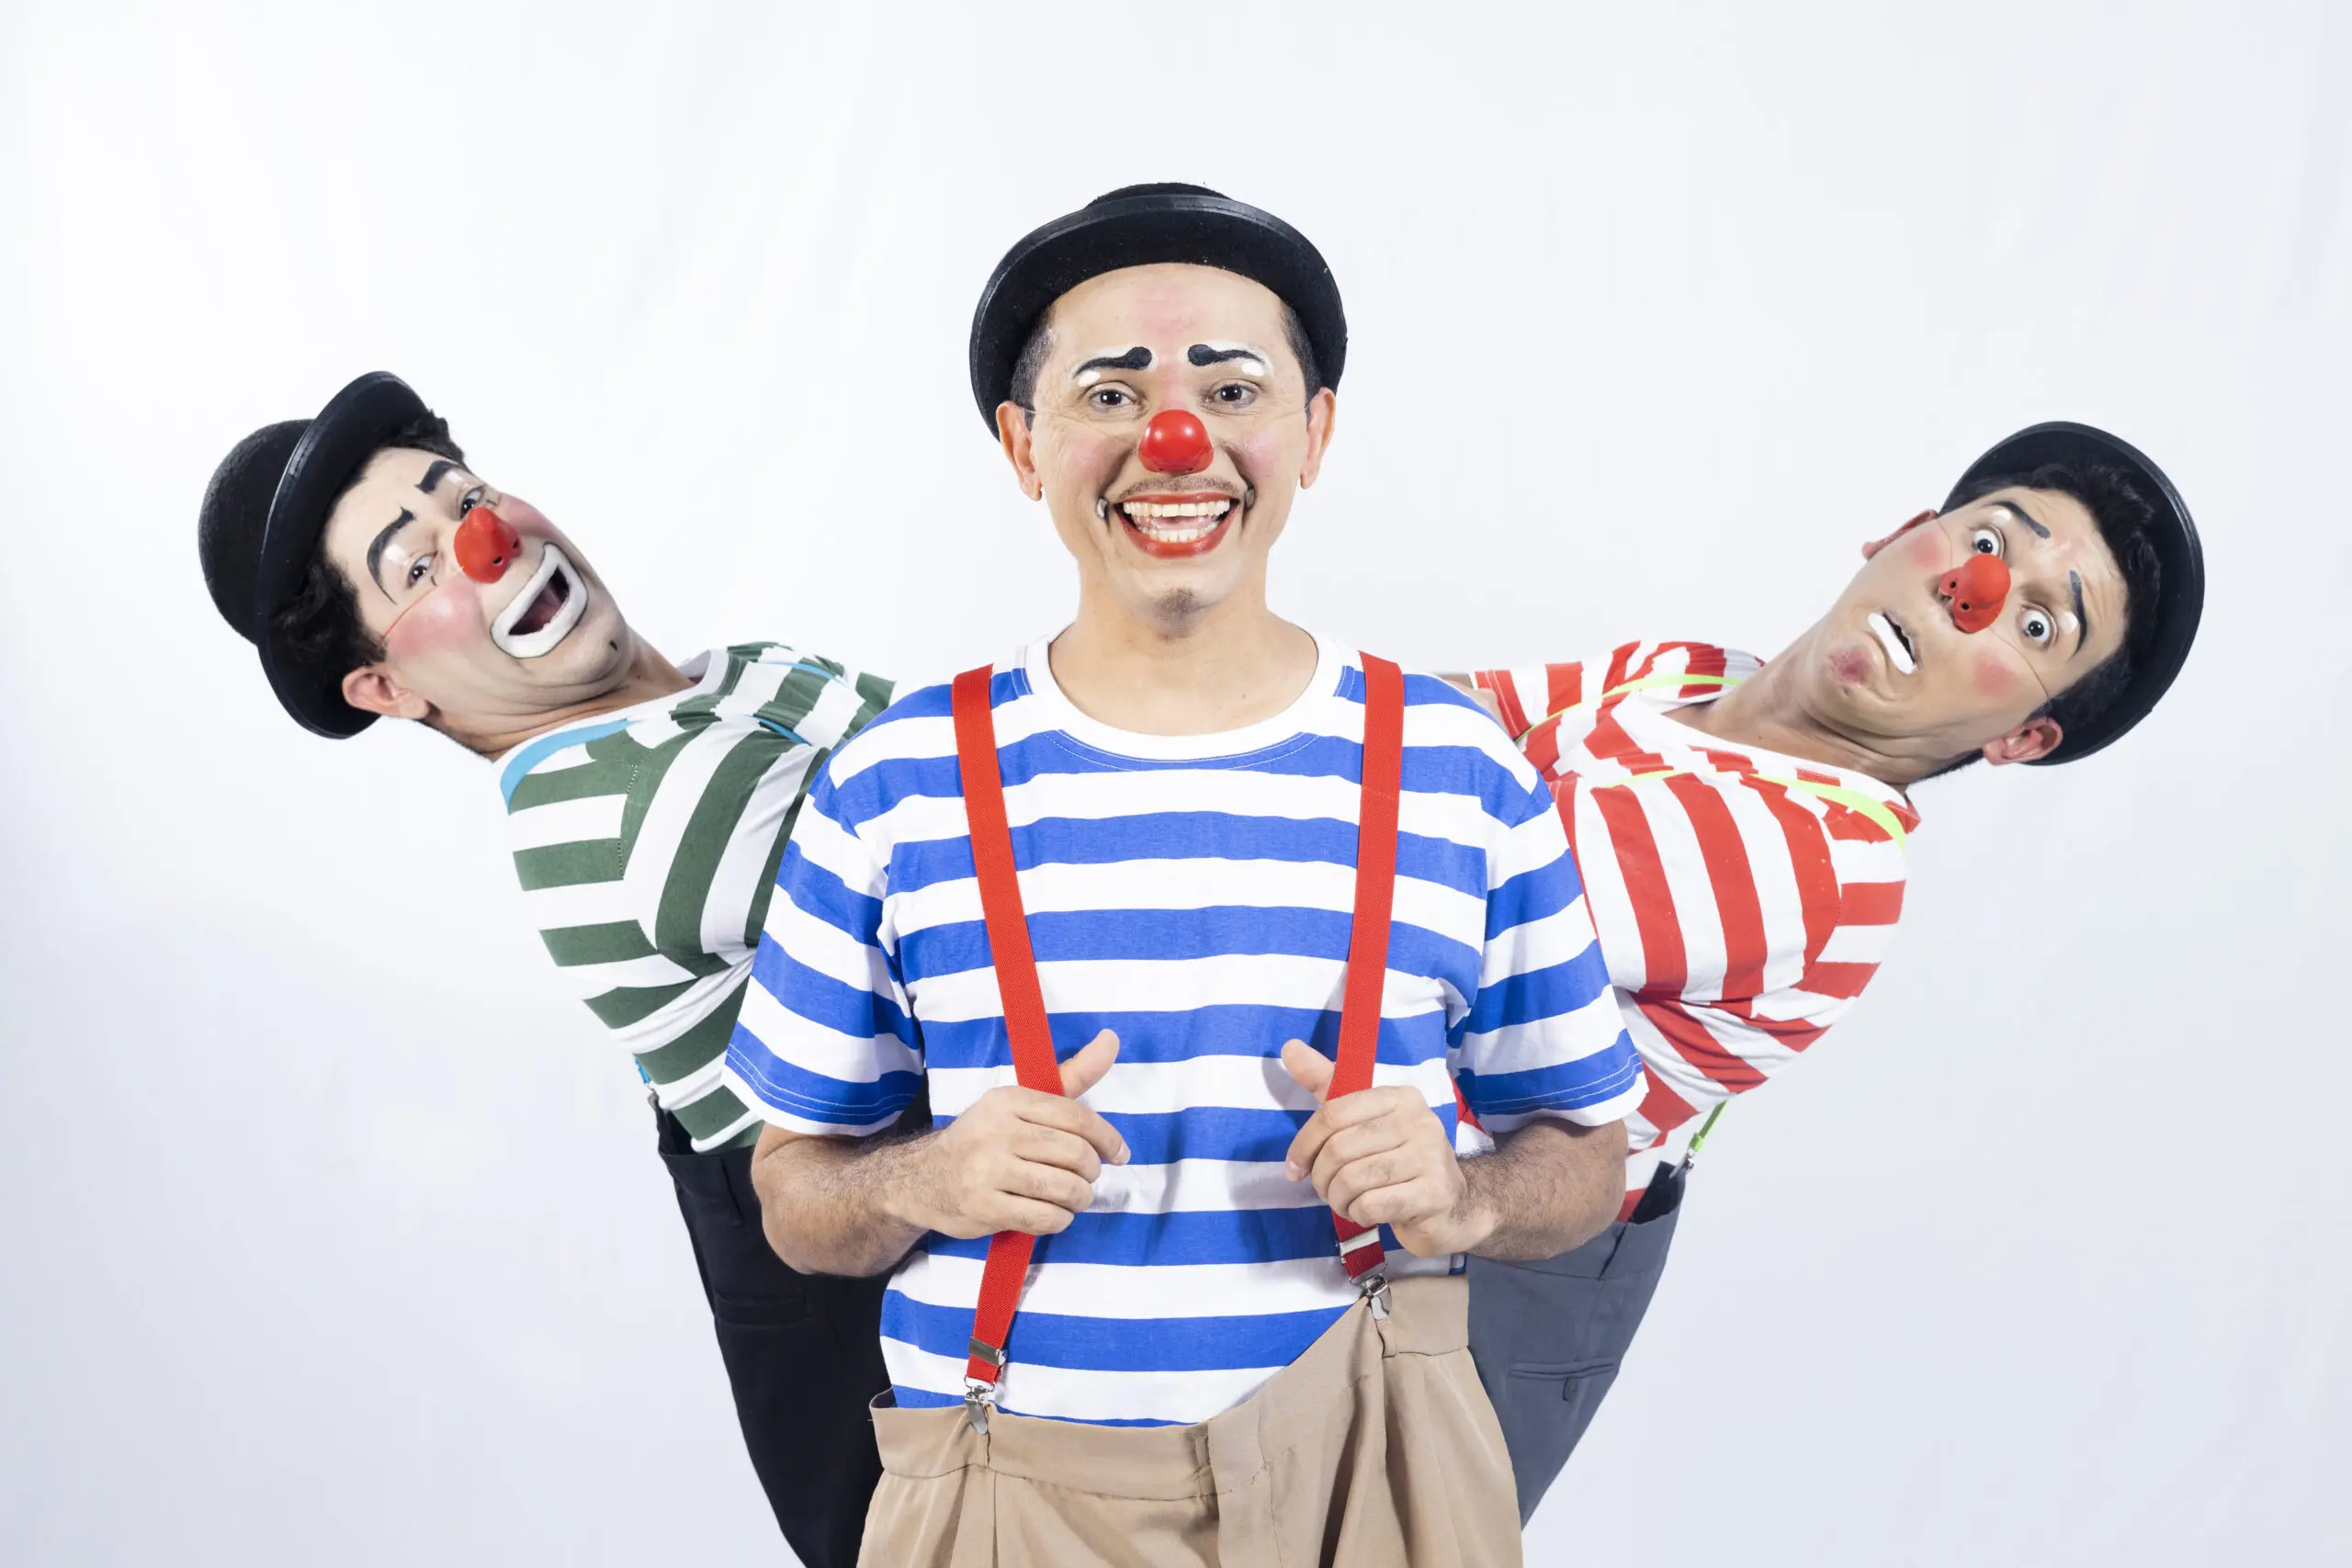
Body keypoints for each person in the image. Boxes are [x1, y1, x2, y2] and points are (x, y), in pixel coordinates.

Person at [721, 186, 1645, 1566]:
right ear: (1024, 445)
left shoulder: (1459, 769)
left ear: (1312, 433)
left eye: (1231, 388)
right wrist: (923, 1177)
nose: (1176, 439)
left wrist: (1468, 1196)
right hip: (1005, 1485)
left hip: (1373, 1464)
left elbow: (1586, 1154)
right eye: (1111, 393)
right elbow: (794, 1195)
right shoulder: (894, 782)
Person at [195, 373, 899, 1568]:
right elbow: (1006, 882)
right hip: (912, 1383)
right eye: (416, 565)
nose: (483, 539)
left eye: (461, 493)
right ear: (387, 687)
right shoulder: (634, 812)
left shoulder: (739, 672)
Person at [1450, 423, 2205, 1517]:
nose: (1976, 592)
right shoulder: (1687, 673)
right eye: (1988, 540)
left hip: (1475, 1283)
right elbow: (1409, 720)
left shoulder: (1821, 863)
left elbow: (1431, 879)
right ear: (1900, 535)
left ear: (2022, 736)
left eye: (2037, 623)